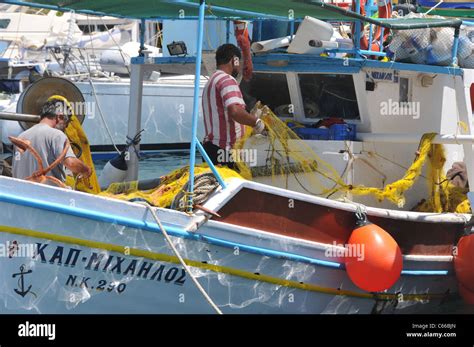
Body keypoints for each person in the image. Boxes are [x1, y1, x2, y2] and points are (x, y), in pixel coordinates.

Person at [202, 43, 265, 169]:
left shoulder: (211, 81)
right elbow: (235, 111)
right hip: (224, 150)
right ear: (234, 60)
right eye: (239, 62)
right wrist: (257, 123)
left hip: (210, 148)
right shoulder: (227, 80)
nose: (240, 66)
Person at [12, 100, 91, 185]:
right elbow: (71, 163)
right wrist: (86, 170)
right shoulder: (56, 135)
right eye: (66, 124)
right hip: (46, 195)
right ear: (59, 117)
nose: (66, 128)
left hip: (22, 193)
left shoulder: (20, 137)